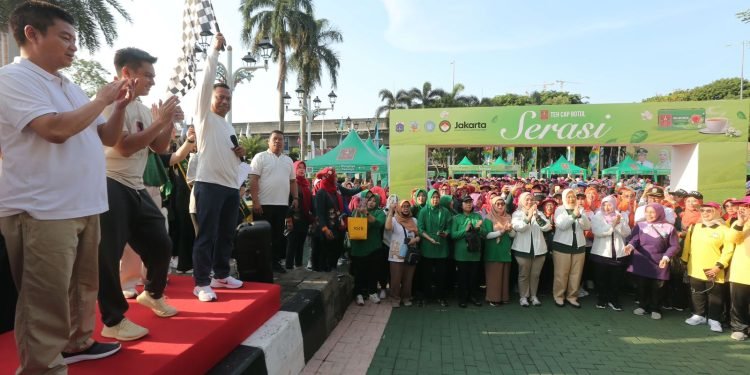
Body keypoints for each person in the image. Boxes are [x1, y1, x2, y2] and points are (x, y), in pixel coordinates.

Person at [0, 2, 134, 371]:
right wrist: (103, 98)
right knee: (44, 303)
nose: (74, 46)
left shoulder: (69, 86)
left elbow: (106, 136)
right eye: (65, 37)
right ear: (32, 33)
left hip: (83, 205)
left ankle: (79, 342)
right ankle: (43, 368)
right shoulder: (13, 79)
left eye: (75, 39)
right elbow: (55, 130)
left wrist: (119, 106)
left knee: (81, 289)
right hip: (42, 210)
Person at [97, 47, 180, 341]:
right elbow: (123, 146)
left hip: (135, 186)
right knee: (108, 254)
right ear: (126, 73)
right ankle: (113, 319)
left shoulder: (144, 108)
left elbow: (158, 147)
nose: (152, 82)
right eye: (147, 75)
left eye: (153, 76)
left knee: (161, 244)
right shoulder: (108, 99)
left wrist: (168, 120)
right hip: (110, 182)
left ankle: (152, 294)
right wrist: (161, 122)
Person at [191, 32, 246, 301]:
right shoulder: (204, 117)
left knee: (226, 235)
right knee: (207, 236)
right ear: (211, 99)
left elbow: (231, 157)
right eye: (220, 97)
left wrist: (240, 154)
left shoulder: (228, 126)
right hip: (209, 185)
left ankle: (221, 275)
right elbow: (205, 82)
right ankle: (201, 282)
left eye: (228, 98)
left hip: (229, 187)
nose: (224, 101)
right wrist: (214, 51)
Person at [681, 202, 734, 333]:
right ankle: (699, 315)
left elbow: (728, 250)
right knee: (697, 292)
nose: (705, 213)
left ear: (717, 212)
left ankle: (714, 319)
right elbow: (687, 246)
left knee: (714, 295)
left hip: (714, 269)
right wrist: (685, 262)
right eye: (703, 210)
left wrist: (719, 266)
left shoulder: (725, 230)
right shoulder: (694, 227)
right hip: (695, 267)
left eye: (709, 211)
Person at [249, 130, 297, 273]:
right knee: (261, 236)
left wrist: (295, 198)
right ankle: (259, 264)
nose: (278, 142)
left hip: (281, 204)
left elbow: (293, 181)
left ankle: (274, 263)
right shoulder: (260, 157)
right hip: (263, 204)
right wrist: (255, 201)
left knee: (277, 236)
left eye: (281, 139)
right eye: (275, 139)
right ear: (268, 142)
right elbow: (253, 180)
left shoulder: (288, 160)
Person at [625, 204, 680, 320]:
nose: (649, 215)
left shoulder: (669, 227)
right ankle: (643, 306)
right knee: (642, 284)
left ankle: (656, 308)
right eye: (647, 212)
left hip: (660, 261)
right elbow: (635, 239)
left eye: (652, 212)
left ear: (659, 213)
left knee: (658, 286)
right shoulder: (640, 225)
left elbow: (674, 246)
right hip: (642, 260)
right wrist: (630, 246)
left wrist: (666, 257)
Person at [511, 192, 553, 307]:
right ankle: (523, 297)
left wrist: (537, 216)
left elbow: (547, 227)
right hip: (522, 249)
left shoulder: (539, 213)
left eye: (531, 199)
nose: (529, 202)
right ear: (521, 201)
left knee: (535, 274)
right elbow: (519, 227)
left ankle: (533, 296)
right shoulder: (517, 214)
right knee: (523, 274)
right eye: (527, 199)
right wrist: (528, 217)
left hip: (539, 249)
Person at [551, 189, 591, 308]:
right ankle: (559, 296)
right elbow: (562, 225)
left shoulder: (581, 209)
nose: (571, 199)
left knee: (576, 273)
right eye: (568, 196)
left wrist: (580, 216)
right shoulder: (559, 210)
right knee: (561, 273)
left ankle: (572, 296)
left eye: (573, 196)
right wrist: (573, 215)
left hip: (579, 246)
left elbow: (587, 226)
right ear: (564, 198)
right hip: (562, 246)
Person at [590, 195, 631, 311]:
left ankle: (614, 300)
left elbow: (627, 233)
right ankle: (602, 299)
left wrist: (618, 224)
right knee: (601, 278)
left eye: (609, 204)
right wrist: (612, 225)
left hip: (618, 252)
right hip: (601, 252)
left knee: (616, 279)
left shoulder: (621, 216)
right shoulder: (597, 216)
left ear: (614, 205)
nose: (606, 207)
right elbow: (598, 232)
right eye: (604, 204)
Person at [350, 191, 386, 305]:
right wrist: (359, 212)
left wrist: (366, 214)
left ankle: (372, 293)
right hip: (359, 248)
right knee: (359, 273)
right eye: (369, 200)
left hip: (374, 248)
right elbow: (352, 224)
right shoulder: (357, 210)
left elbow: (379, 224)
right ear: (365, 200)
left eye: (374, 200)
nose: (371, 202)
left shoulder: (380, 212)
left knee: (373, 272)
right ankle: (359, 294)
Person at [417, 190, 452, 306]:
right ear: (429, 198)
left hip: (442, 247)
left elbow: (449, 226)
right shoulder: (423, 211)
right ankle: (426, 296)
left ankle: (440, 297)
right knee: (426, 274)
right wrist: (429, 239)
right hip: (427, 246)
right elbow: (420, 229)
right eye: (433, 197)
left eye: (437, 197)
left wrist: (446, 233)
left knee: (441, 275)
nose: (435, 199)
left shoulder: (445, 211)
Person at [451, 196, 484, 308]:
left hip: (475, 253)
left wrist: (478, 228)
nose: (469, 204)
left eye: (470, 202)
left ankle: (473, 297)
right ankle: (462, 298)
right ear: (461, 205)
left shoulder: (477, 216)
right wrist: (465, 230)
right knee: (462, 278)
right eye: (466, 203)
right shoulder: (456, 218)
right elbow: (453, 235)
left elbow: (484, 233)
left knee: (474, 277)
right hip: (461, 254)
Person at [385, 199, 419, 307]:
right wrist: (391, 211)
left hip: (410, 254)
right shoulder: (394, 220)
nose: (405, 208)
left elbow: (418, 235)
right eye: (403, 206)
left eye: (407, 206)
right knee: (396, 279)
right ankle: (395, 298)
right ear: (399, 208)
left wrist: (416, 239)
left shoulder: (414, 220)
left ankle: (406, 297)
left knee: (408, 278)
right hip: (396, 254)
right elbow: (388, 227)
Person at [481, 196, 514, 306]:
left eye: (502, 204)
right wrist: (501, 232)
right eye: (497, 204)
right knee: (494, 276)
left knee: (504, 275)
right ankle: (493, 298)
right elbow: (486, 235)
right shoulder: (488, 218)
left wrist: (509, 231)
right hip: (493, 251)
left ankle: (503, 297)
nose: (500, 206)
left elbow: (513, 235)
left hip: (505, 249)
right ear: (493, 205)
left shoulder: (508, 217)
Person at [728, 197, 750, 341]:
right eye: (741, 207)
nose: (742, 209)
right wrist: (741, 222)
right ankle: (739, 327)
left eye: (746, 206)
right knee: (739, 302)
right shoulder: (737, 223)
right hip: (741, 271)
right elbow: (732, 239)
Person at [286, 160, 313, 270]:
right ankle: (289, 266)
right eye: (299, 167)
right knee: (292, 243)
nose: (302, 169)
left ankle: (299, 264)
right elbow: (287, 201)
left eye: (303, 167)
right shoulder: (292, 183)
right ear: (294, 169)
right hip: (294, 217)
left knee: (301, 242)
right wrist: (288, 219)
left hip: (304, 218)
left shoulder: (306, 183)